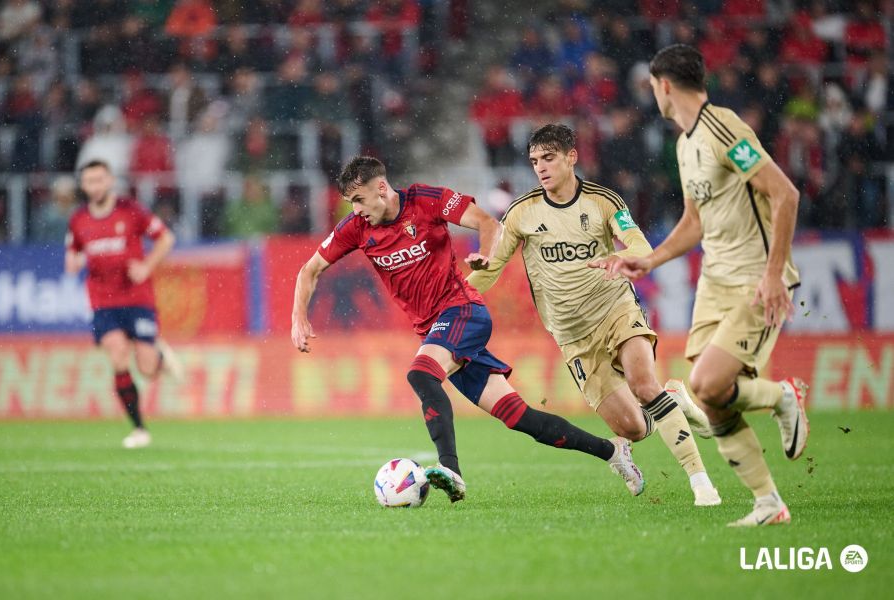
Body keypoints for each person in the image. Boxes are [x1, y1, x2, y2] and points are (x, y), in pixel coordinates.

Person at [290, 156, 644, 502]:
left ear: (381, 188)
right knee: (520, 417)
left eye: (359, 200)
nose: (356, 210)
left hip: (463, 311)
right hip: (437, 332)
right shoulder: (357, 228)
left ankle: (451, 471)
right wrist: (298, 317)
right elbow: (309, 270)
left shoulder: (426, 201)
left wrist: (486, 255)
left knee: (421, 374)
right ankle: (613, 452)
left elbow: (488, 223)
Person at [466, 124, 720, 508]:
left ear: (572, 157)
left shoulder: (604, 201)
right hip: (573, 337)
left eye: (549, 159)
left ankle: (702, 483)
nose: (541, 168)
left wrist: (622, 255)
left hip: (615, 309)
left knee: (642, 384)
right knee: (632, 428)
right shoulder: (522, 212)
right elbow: (492, 267)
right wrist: (456, 299)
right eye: (535, 161)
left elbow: (636, 241)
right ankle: (672, 398)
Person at [610, 44, 809, 527]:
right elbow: (694, 221)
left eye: (652, 87)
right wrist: (650, 259)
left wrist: (772, 273)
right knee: (714, 398)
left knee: (706, 384)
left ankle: (783, 396)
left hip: (753, 278)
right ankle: (768, 504)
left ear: (664, 86)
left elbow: (784, 193)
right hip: (715, 282)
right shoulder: (684, 143)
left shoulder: (724, 128)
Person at [65, 160, 183, 449]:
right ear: (83, 185)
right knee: (117, 355)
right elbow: (73, 254)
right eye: (90, 181)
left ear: (110, 181)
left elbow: (166, 238)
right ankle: (139, 428)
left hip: (137, 298)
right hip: (103, 302)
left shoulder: (131, 211)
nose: (95, 186)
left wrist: (146, 266)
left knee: (146, 368)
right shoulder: (78, 220)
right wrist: (73, 261)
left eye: (100, 180)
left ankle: (158, 356)